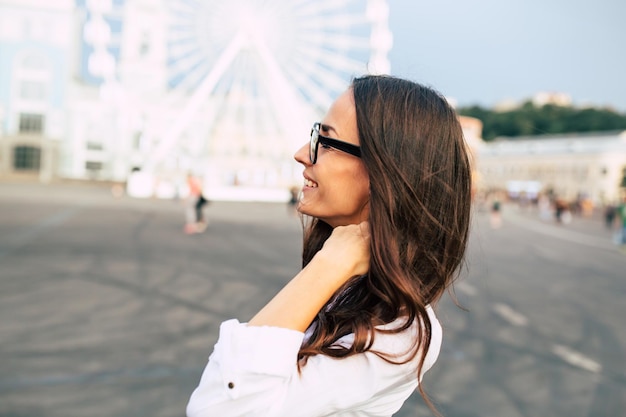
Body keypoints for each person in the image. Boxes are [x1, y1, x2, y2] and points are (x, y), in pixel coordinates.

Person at [186, 75, 472, 416]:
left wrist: (328, 266)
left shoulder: (400, 329)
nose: (301, 155)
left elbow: (220, 410)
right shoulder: (351, 287)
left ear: (385, 171)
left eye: (326, 142)